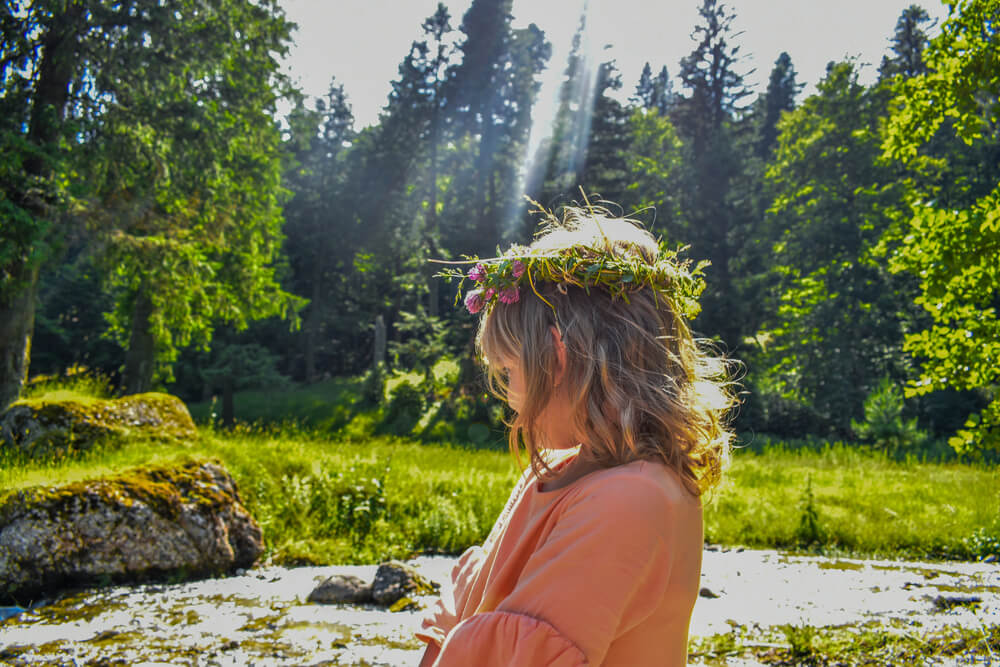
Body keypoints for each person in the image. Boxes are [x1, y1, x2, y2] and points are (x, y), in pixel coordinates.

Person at [417, 204, 736, 666]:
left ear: (557, 356)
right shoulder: (562, 471)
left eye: (508, 371)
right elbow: (470, 613)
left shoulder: (630, 499)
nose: (508, 398)